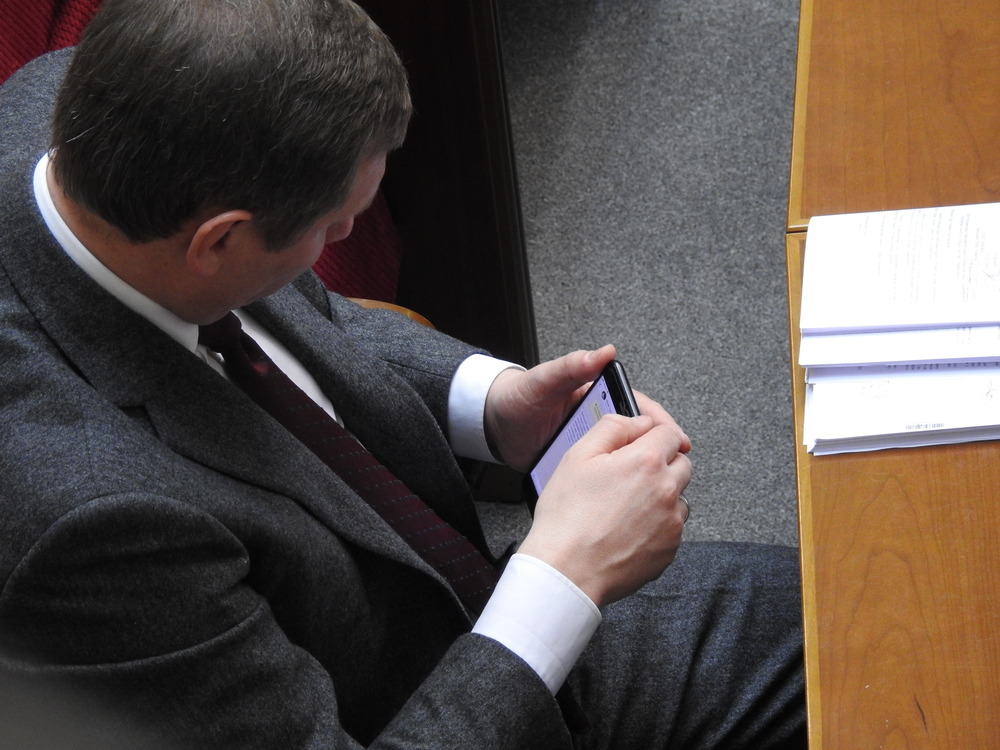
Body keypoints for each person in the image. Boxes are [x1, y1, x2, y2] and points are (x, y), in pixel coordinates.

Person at [0, 0, 806, 747]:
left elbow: (298, 319)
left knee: (848, 613)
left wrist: (492, 404)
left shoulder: (66, 112)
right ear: (219, 241)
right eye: (333, 226)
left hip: (455, 603)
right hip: (433, 708)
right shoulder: (95, 538)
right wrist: (566, 578)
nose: (347, 240)